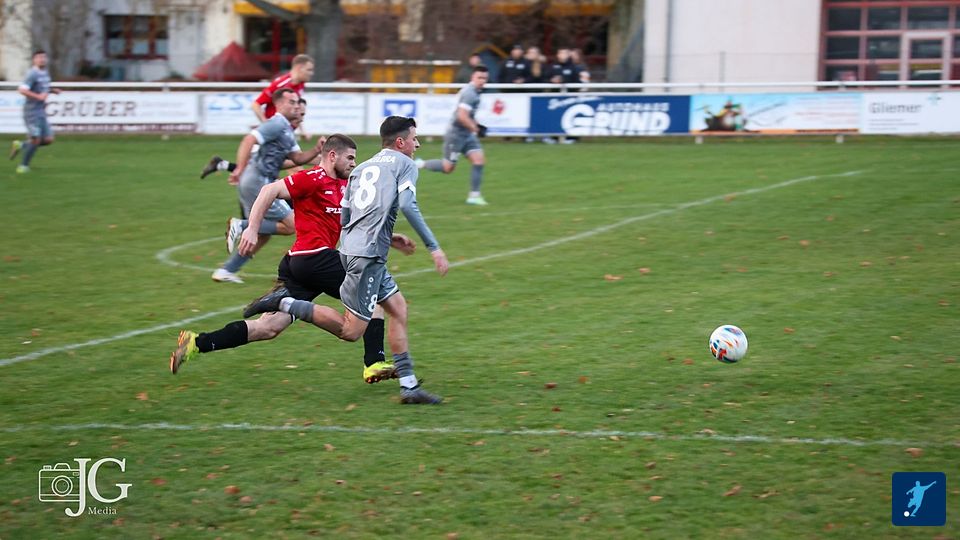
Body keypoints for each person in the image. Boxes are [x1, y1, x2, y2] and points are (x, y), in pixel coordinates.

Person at [243, 116, 449, 405]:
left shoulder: (362, 168)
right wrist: (434, 247)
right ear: (401, 142)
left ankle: (409, 386)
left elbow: (346, 215)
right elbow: (407, 204)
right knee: (350, 331)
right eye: (415, 139)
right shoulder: (405, 165)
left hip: (352, 251)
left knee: (397, 307)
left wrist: (377, 239)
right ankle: (285, 303)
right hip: (368, 256)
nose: (418, 144)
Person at [171, 135, 404, 384]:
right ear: (332, 156)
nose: (353, 163)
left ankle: (196, 342)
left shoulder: (344, 186)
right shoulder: (312, 178)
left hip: (302, 265)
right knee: (373, 293)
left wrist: (390, 238)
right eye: (349, 158)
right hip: (315, 258)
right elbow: (269, 190)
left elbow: (355, 223)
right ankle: (374, 362)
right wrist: (252, 228)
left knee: (267, 328)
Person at [212, 88, 324, 283]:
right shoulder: (277, 124)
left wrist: (316, 150)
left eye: (299, 106)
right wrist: (239, 168)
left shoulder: (286, 131)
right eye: (292, 103)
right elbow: (249, 139)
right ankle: (240, 225)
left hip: (255, 181)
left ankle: (226, 271)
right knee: (291, 225)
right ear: (279, 104)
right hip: (257, 181)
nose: (297, 109)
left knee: (262, 233)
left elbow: (297, 159)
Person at [200, 54, 315, 178]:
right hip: (276, 135)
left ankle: (221, 164)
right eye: (309, 69)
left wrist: (302, 130)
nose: (311, 73)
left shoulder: (300, 85)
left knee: (262, 169)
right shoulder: (281, 84)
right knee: (292, 170)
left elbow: (295, 111)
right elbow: (256, 104)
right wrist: (267, 125)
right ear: (298, 68)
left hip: (285, 134)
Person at [415, 66, 490, 206]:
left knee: (479, 160)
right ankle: (420, 164)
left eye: (485, 78)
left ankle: (474, 196)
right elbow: (462, 116)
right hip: (456, 135)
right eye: (479, 77)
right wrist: (476, 129)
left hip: (467, 134)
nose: (482, 81)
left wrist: (477, 125)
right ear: (473, 77)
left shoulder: (476, 92)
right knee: (448, 168)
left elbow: (468, 115)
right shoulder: (470, 93)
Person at [9, 50, 61, 174]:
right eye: (39, 57)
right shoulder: (32, 74)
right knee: (36, 140)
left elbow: (43, 88)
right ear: (34, 60)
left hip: (41, 111)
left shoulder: (45, 73)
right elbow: (22, 90)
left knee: (48, 139)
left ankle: (21, 145)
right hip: (31, 112)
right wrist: (38, 97)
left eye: (43, 57)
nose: (42, 59)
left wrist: (52, 90)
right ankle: (23, 166)